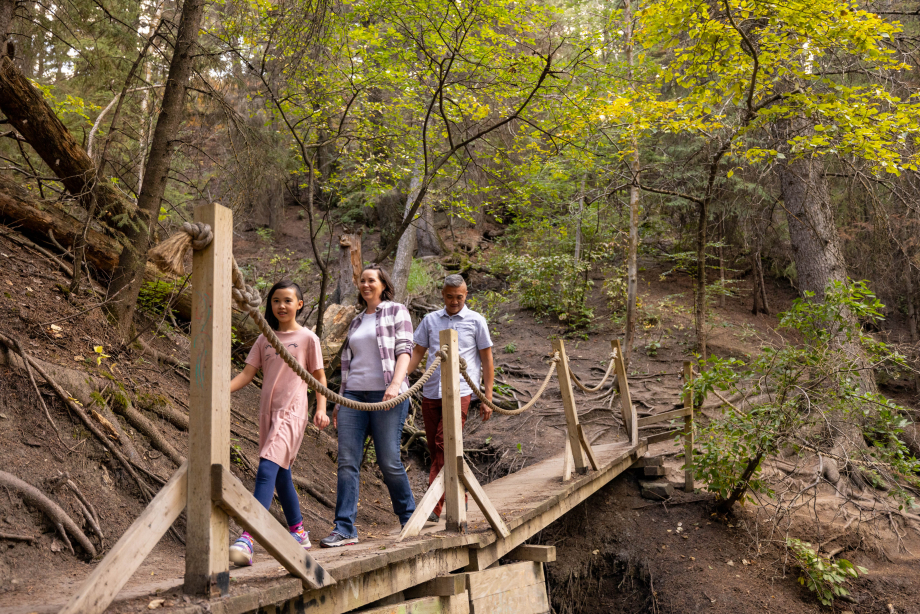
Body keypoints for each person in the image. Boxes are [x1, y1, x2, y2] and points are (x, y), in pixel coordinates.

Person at [227, 280, 329, 566]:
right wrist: (219, 391)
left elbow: (319, 377)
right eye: (276, 301)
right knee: (281, 473)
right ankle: (297, 532)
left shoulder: (308, 338)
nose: (281, 306)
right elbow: (247, 374)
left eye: (287, 300)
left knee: (266, 468)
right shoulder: (265, 338)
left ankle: (249, 536)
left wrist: (321, 408)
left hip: (293, 411)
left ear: (300, 304)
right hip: (268, 413)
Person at [320, 266, 416, 547]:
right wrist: (340, 400)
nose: (365, 284)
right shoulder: (356, 321)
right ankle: (345, 528)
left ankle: (409, 517)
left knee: (388, 461)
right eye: (361, 280)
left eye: (371, 280)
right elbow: (349, 366)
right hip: (353, 398)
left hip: (387, 394)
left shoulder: (397, 310)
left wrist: (396, 386)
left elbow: (404, 351)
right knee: (348, 462)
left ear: (383, 284)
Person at [407, 274, 494, 522]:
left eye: (459, 297)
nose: (454, 301)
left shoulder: (476, 321)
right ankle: (460, 495)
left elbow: (487, 360)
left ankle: (433, 506)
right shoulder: (430, 320)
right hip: (431, 391)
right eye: (449, 296)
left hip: (461, 392)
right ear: (442, 295)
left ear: (466, 295)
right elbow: (418, 353)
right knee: (436, 449)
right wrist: (399, 379)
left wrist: (487, 397)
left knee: (445, 442)